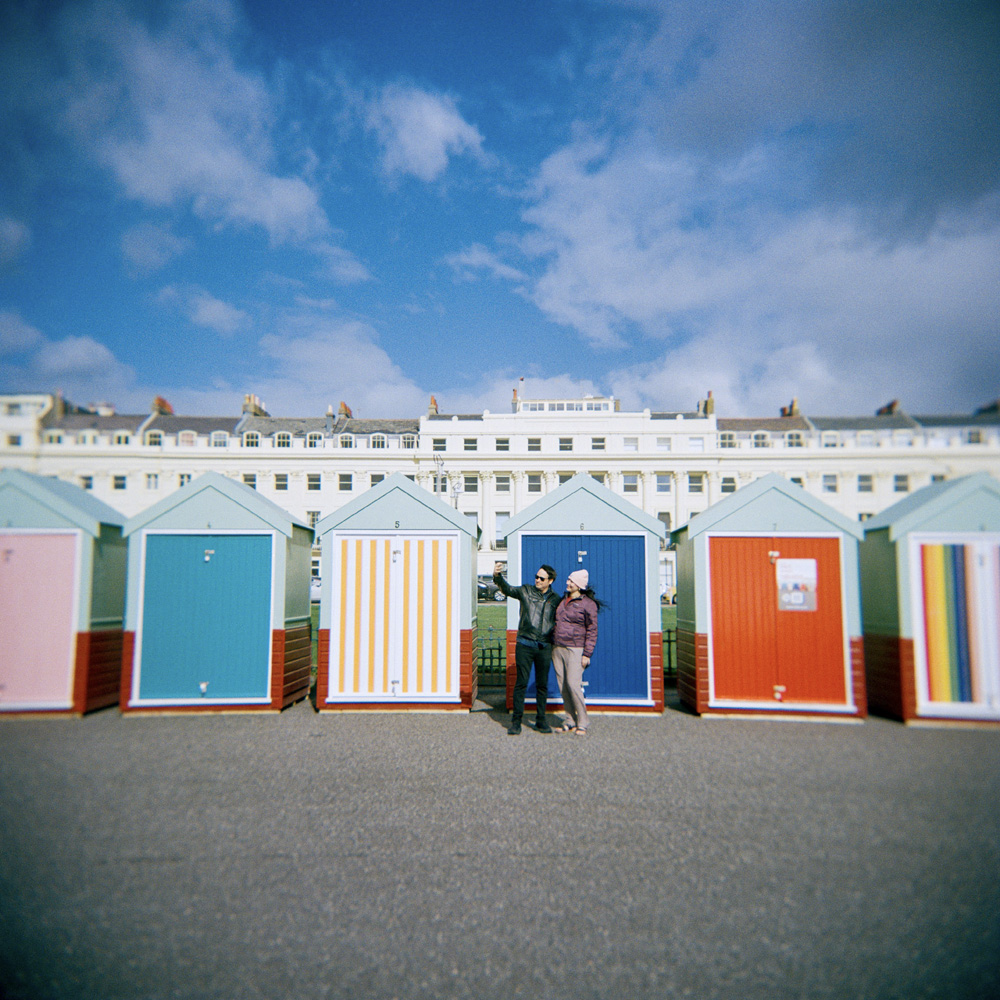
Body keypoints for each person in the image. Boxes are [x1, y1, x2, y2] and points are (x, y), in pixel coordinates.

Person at [493, 561, 560, 735]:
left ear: (550, 581)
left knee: (542, 685)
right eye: (536, 577)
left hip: (544, 646)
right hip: (525, 644)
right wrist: (497, 576)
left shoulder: (556, 600)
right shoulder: (526, 591)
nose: (537, 580)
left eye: (541, 578)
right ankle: (516, 722)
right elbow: (507, 589)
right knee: (521, 683)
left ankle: (541, 720)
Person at [552, 569, 600, 736]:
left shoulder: (588, 604)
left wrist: (587, 654)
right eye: (568, 580)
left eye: (571, 581)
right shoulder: (563, 600)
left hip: (576, 648)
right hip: (557, 647)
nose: (567, 583)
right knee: (563, 686)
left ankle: (583, 721)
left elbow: (592, 630)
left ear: (579, 584)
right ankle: (570, 720)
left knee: (573, 684)